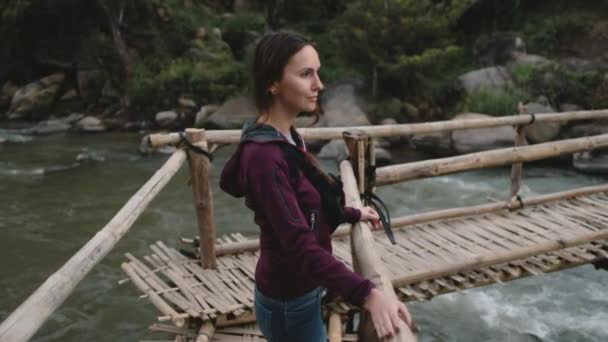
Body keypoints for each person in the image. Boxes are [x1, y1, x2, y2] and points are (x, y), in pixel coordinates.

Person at [220, 31, 412, 342]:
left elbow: (306, 202)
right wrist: (369, 295)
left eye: (317, 72)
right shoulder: (264, 158)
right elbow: (298, 244)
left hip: (304, 288)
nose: (318, 85)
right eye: (306, 74)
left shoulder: (287, 135)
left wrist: (350, 213)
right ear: (273, 82)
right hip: (288, 300)